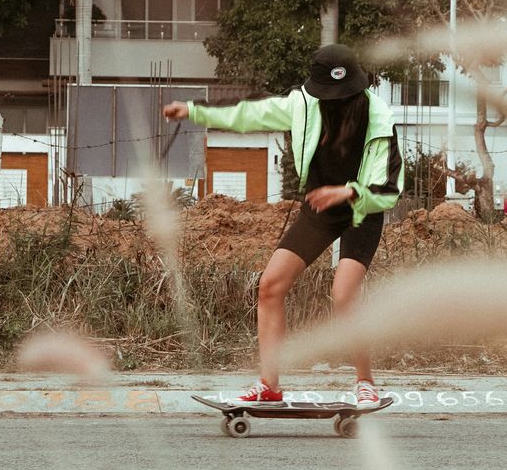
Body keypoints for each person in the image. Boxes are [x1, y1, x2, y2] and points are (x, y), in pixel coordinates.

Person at [162, 44, 403, 407]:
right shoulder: (302, 103)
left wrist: (347, 193)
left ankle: (365, 382)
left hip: (360, 210)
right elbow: (250, 114)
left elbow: (388, 190)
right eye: (328, 95)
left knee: (343, 294)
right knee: (270, 286)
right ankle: (269, 385)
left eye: (343, 95)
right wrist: (194, 111)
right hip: (318, 210)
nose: (335, 101)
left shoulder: (379, 118)